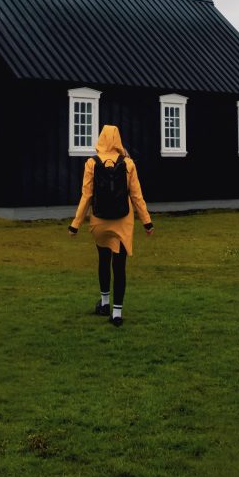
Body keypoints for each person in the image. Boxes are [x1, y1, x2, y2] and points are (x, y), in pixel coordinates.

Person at [68, 124, 153, 327]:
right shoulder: (129, 164)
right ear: (118, 140)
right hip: (123, 222)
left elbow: (86, 196)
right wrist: (147, 221)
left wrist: (75, 224)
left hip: (99, 221)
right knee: (120, 266)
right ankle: (116, 313)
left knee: (103, 260)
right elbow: (136, 196)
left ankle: (104, 303)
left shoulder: (91, 163)